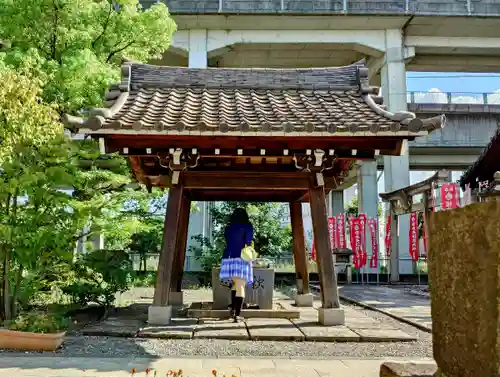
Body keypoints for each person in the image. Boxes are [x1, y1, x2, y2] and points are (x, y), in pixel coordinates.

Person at [219, 207, 254, 322]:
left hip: (228, 258)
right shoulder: (247, 226)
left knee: (234, 285)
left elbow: (227, 240)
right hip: (241, 258)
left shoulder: (228, 227)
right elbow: (248, 242)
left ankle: (233, 311)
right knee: (240, 286)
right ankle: (237, 315)